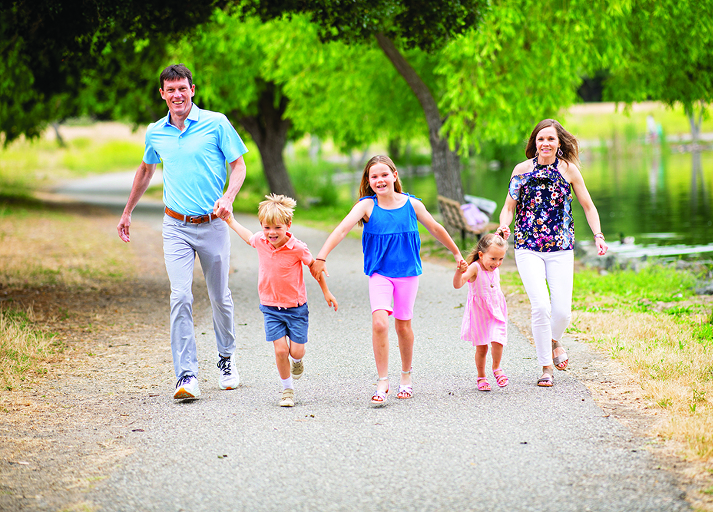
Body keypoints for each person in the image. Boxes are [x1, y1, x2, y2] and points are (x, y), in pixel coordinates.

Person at [117, 64, 248, 399]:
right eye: (170, 89)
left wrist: (228, 198)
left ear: (193, 90)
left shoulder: (216, 123)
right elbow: (146, 170)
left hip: (213, 224)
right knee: (181, 296)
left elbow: (238, 165)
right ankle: (186, 375)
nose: (177, 95)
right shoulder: (155, 132)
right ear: (162, 93)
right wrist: (128, 211)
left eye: (182, 88)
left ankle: (226, 359)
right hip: (175, 225)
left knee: (220, 297)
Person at [310, 155, 467, 406]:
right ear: (368, 181)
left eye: (384, 174)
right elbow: (341, 229)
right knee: (380, 323)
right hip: (380, 273)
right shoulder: (366, 207)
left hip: (407, 274)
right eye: (374, 176)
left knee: (403, 326)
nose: (380, 180)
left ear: (395, 175)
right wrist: (321, 257)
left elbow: (436, 228)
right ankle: (383, 380)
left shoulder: (412, 205)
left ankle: (406, 376)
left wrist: (456, 252)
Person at [497, 119, 608, 387]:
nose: (545, 143)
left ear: (559, 144)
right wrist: (503, 225)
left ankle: (553, 340)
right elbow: (508, 207)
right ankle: (546, 367)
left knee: (562, 313)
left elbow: (588, 206)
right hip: (527, 247)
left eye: (551, 139)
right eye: (541, 139)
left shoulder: (569, 170)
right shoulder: (521, 170)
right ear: (534, 142)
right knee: (541, 307)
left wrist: (598, 235)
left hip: (561, 248)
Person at [225, 194, 338, 407]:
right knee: (279, 350)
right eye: (266, 228)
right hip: (270, 307)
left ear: (288, 225)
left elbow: (315, 269)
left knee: (296, 351)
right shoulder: (261, 240)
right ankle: (287, 390)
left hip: (296, 308)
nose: (271, 233)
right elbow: (248, 236)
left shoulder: (298, 248)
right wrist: (231, 221)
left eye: (277, 227)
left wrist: (327, 292)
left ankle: (297, 361)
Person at [453, 233, 510, 391]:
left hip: (496, 310)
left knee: (498, 340)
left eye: (501, 259)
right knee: (482, 347)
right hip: (479, 314)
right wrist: (459, 271)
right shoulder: (475, 267)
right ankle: (481, 376)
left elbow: (496, 242)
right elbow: (458, 284)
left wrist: (501, 234)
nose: (497, 263)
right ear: (481, 254)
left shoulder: (493, 263)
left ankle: (497, 369)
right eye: (493, 259)